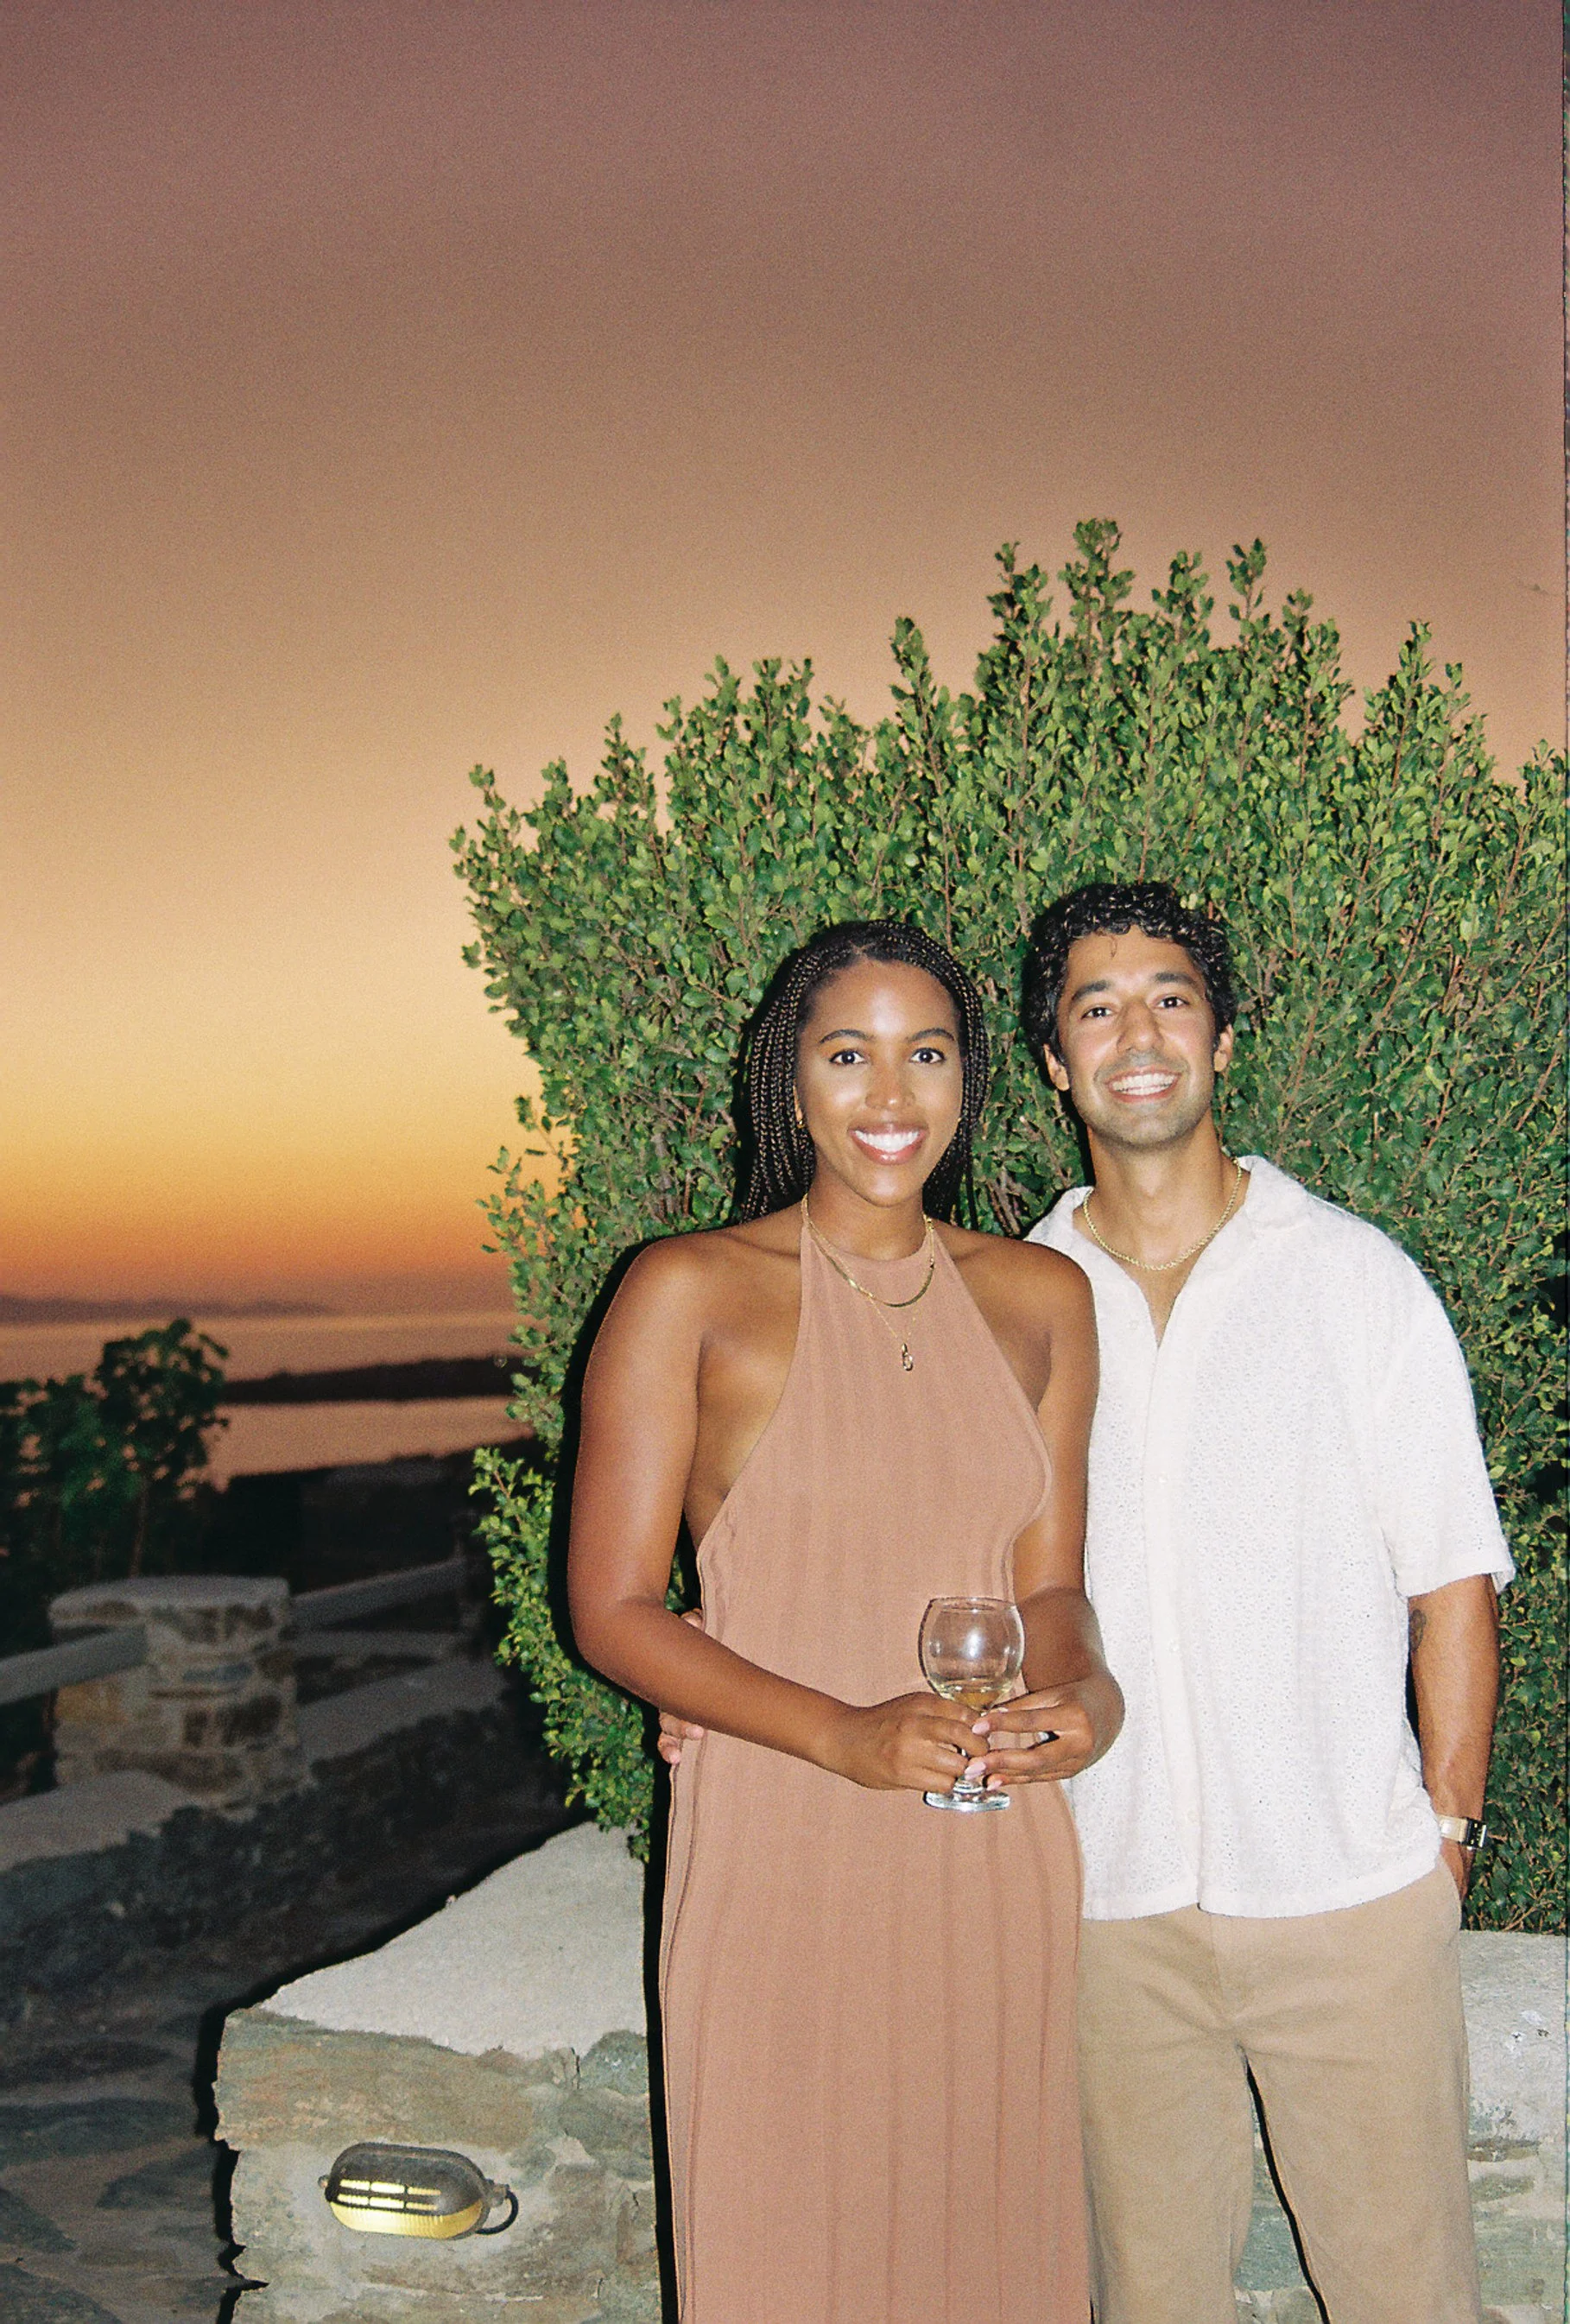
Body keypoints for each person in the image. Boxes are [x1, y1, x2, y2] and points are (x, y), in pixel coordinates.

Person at [568, 919, 1122, 2324]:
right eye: (848, 1052)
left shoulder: (1042, 1295)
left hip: (989, 1845)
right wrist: (848, 1734)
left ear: (972, 1077)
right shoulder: (686, 1288)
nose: (891, 1093)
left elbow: (1046, 1583)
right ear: (790, 1080)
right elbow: (614, 1609)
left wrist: (1091, 1691)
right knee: (784, 2252)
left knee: (985, 2246)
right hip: (781, 1839)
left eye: (925, 1052)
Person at [973, 879, 1510, 2324]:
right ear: (1051, 1059)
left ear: (1219, 1042)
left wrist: (1442, 1840)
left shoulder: (1353, 1281)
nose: (1134, 1031)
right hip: (1105, 1907)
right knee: (1146, 2303)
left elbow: (1451, 1583)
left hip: (1345, 1901)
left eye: (1168, 997)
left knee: (1409, 2298)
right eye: (1095, 1005)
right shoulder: (1012, 1302)